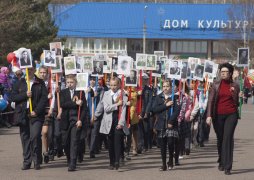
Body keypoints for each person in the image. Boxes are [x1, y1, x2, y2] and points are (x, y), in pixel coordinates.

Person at [10, 66, 48, 170]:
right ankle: (27, 161)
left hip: (36, 114)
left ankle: (36, 160)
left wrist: (36, 111)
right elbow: (12, 97)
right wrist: (24, 95)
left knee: (35, 136)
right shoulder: (19, 82)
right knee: (25, 138)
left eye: (31, 69)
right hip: (22, 114)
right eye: (27, 69)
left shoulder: (40, 82)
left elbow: (44, 98)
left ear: (34, 70)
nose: (29, 71)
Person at [206, 63, 241, 175]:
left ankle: (228, 166)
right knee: (220, 139)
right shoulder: (215, 85)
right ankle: (221, 159)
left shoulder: (235, 85)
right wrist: (209, 116)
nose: (224, 74)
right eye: (222, 72)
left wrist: (237, 94)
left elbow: (237, 101)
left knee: (228, 138)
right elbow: (210, 101)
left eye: (226, 72)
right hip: (218, 116)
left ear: (230, 73)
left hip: (231, 114)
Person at [96, 77, 129, 170]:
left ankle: (117, 161)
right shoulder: (105, 94)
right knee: (110, 142)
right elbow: (106, 109)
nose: (113, 87)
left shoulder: (123, 95)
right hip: (108, 121)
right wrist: (117, 105)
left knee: (118, 141)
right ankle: (111, 161)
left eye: (115, 85)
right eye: (111, 85)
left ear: (119, 85)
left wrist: (121, 123)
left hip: (118, 120)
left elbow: (123, 110)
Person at [60, 75, 89, 171]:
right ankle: (69, 158)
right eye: (67, 82)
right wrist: (75, 103)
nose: (69, 84)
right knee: (65, 143)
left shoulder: (80, 93)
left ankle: (73, 163)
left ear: (75, 83)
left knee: (74, 141)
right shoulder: (63, 92)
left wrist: (80, 119)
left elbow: (84, 109)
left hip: (76, 120)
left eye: (71, 82)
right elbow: (63, 104)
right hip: (65, 120)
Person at [152, 80, 181, 171]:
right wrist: (166, 105)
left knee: (171, 143)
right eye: (164, 86)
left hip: (171, 124)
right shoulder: (158, 97)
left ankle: (171, 160)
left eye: (167, 86)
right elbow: (154, 109)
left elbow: (177, 110)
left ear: (171, 87)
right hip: (161, 124)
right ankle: (164, 164)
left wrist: (171, 121)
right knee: (163, 145)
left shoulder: (175, 97)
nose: (165, 88)